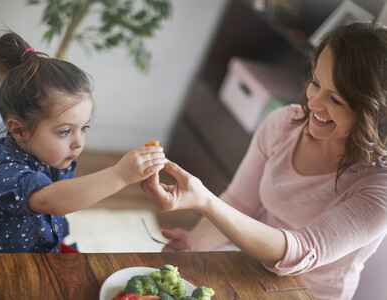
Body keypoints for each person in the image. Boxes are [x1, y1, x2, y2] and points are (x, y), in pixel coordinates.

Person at [141, 22, 386, 300]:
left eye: (336, 100)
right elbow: (240, 202)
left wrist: (204, 200)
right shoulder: (283, 124)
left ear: (375, 115)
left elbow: (298, 251)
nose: (314, 103)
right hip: (250, 266)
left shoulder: (379, 190)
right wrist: (195, 243)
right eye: (316, 83)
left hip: (308, 293)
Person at [0, 30, 167, 253]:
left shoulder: (53, 157)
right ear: (19, 130)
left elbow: (70, 195)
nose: (78, 143)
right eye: (65, 131)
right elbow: (51, 201)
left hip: (41, 256)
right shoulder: (1, 171)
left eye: (84, 128)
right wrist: (120, 174)